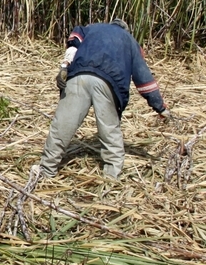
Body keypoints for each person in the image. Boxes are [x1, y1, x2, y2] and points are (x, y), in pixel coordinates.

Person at [37, 19, 169, 181]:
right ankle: (111, 176)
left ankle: (46, 170)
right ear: (125, 29)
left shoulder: (91, 29)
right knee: (109, 130)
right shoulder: (129, 41)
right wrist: (160, 107)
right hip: (108, 82)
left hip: (79, 75)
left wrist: (64, 66)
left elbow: (73, 42)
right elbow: (143, 78)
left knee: (62, 126)